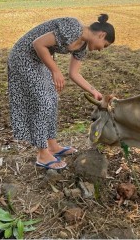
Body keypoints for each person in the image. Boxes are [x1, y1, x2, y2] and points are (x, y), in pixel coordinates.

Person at [8, 14, 115, 170]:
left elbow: (74, 74)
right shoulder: (74, 27)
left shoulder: (82, 47)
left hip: (39, 59)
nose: (100, 50)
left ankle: (52, 146)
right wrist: (55, 71)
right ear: (101, 34)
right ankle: (42, 154)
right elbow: (38, 44)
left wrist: (94, 92)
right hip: (23, 55)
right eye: (104, 45)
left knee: (52, 99)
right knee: (42, 102)